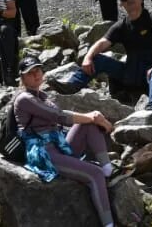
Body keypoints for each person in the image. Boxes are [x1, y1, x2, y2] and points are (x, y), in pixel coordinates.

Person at [14, 56, 118, 227]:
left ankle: (109, 170)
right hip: (45, 154)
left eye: (37, 70)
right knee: (95, 174)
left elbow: (61, 112)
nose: (35, 75)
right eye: (30, 73)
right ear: (23, 78)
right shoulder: (24, 99)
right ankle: (109, 224)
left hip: (58, 145)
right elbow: (58, 116)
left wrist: (94, 118)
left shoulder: (42, 95)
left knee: (89, 124)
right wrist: (92, 116)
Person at [70, 0, 152, 109]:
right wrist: (88, 57)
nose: (129, 0)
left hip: (151, 70)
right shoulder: (121, 25)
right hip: (130, 73)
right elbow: (102, 42)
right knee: (97, 60)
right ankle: (71, 86)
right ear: (121, 5)